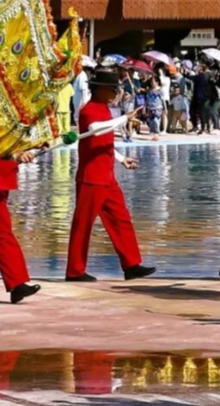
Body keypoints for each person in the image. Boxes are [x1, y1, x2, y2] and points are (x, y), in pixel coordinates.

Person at [66, 70, 157, 282]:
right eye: (112, 89)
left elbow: (104, 142)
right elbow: (95, 130)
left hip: (107, 177)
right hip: (91, 178)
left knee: (121, 219)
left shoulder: (105, 109)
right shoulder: (89, 109)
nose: (116, 93)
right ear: (100, 89)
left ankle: (131, 264)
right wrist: (124, 118)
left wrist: (121, 158)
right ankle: (74, 271)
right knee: (83, 225)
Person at [0, 140, 42, 305]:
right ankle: (17, 283)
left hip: (1, 173)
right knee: (0, 230)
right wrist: (16, 154)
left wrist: (29, 145)